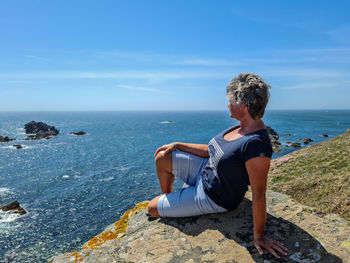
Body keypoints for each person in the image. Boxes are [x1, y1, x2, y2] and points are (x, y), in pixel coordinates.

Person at [148, 73, 288, 259]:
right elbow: (213, 151)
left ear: (243, 106)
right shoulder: (239, 126)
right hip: (204, 170)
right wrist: (180, 145)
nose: (227, 104)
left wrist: (259, 236)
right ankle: (170, 197)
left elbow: (258, 192)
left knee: (152, 208)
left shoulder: (256, 144)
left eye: (230, 101)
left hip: (213, 196)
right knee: (162, 156)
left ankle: (172, 203)